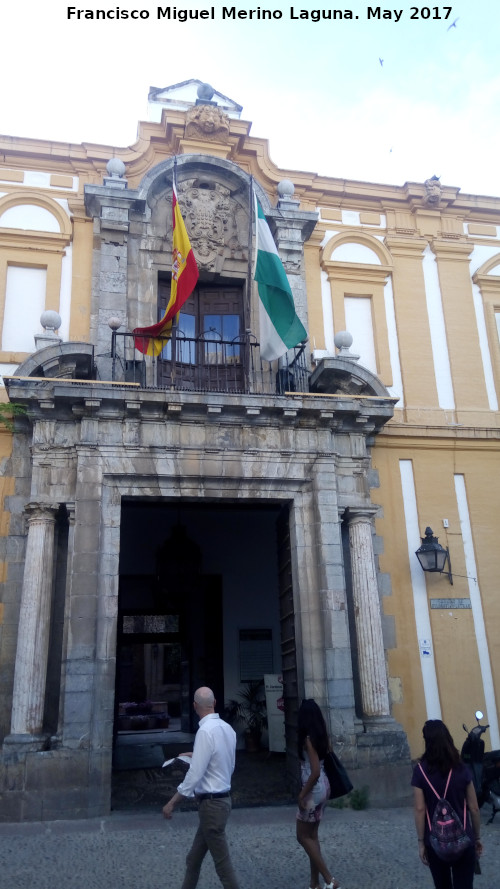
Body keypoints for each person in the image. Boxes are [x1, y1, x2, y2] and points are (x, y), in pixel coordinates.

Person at [162, 686, 240, 889]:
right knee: (193, 859)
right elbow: (225, 763)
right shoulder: (228, 729)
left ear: (195, 706)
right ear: (214, 703)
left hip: (212, 806)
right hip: (221, 802)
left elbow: (195, 774)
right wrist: (195, 755)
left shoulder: (205, 732)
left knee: (223, 867)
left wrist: (172, 803)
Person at [411, 719, 483, 889]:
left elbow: (420, 809)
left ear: (427, 741)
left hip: (435, 842)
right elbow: (473, 807)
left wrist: (421, 842)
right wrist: (477, 837)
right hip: (464, 840)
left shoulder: (420, 771)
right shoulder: (461, 768)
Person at [296, 699, 342, 889]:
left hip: (313, 790)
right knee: (312, 836)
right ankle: (314, 883)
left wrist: (301, 795)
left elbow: (314, 771)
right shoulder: (321, 736)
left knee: (302, 836)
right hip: (324, 786)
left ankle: (329, 880)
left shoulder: (308, 739)